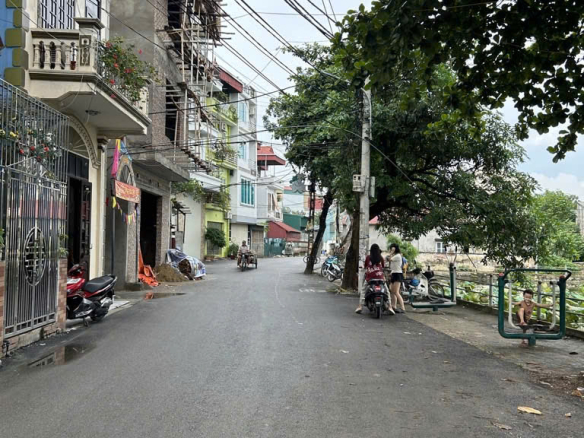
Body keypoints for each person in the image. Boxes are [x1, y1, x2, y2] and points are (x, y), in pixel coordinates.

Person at [355, 244, 394, 315]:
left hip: (370, 278)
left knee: (363, 291)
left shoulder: (368, 257)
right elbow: (383, 267)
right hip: (380, 278)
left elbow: (365, 266)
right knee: (387, 291)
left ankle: (360, 306)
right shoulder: (381, 258)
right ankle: (390, 307)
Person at [388, 243, 407, 313]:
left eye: (391, 249)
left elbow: (389, 259)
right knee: (392, 290)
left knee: (396, 292)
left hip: (398, 274)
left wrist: (391, 253)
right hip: (394, 273)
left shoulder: (398, 256)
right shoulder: (395, 256)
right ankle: (394, 306)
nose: (390, 250)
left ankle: (403, 308)